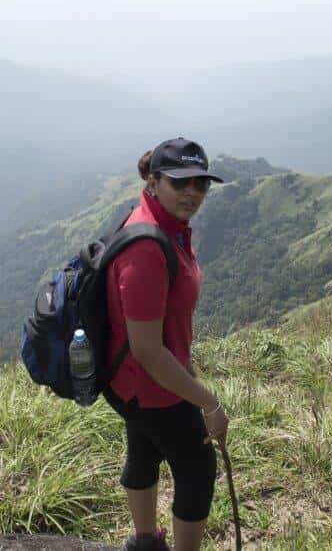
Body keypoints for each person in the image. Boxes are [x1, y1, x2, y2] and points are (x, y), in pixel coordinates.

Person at [103, 137, 230, 551]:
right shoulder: (148, 247)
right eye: (181, 183)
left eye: (200, 184)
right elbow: (149, 351)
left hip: (127, 382)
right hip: (151, 385)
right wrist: (208, 402)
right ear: (154, 182)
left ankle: (144, 542)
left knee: (143, 448)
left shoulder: (162, 227)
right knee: (197, 466)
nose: (192, 192)